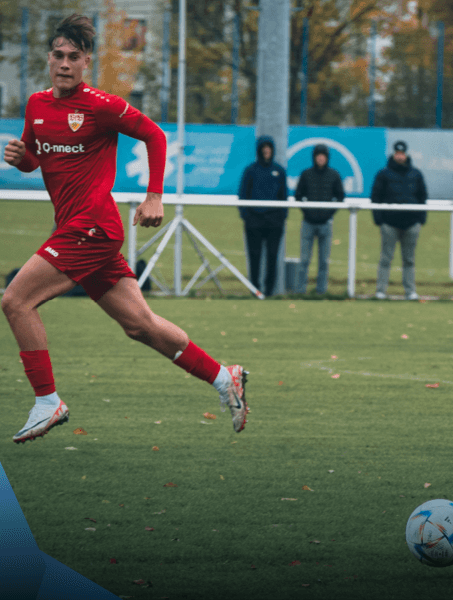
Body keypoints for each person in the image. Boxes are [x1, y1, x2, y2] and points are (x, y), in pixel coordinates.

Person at [1, 14, 248, 443]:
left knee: (15, 300)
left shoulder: (100, 105)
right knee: (140, 325)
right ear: (49, 59)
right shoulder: (37, 105)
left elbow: (155, 135)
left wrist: (154, 196)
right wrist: (21, 157)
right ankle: (224, 377)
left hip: (93, 226)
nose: (64, 63)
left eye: (73, 57)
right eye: (58, 55)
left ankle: (47, 401)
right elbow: (36, 160)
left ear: (86, 62)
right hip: (77, 229)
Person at [371, 141, 428, 301]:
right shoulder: (383, 174)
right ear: (394, 154)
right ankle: (380, 291)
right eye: (398, 153)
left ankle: (410, 291)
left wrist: (420, 219)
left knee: (409, 260)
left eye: (402, 154)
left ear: (406, 154)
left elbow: (422, 197)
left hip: (411, 223)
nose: (400, 156)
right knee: (386, 258)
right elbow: (375, 196)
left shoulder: (416, 174)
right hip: (389, 224)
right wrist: (379, 220)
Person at [239, 136, 288, 296]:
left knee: (272, 256)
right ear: (259, 150)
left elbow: (284, 196)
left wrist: (281, 218)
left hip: (274, 223)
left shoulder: (279, 171)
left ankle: (270, 291)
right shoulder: (251, 171)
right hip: (254, 222)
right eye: (264, 148)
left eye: (269, 148)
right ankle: (255, 289)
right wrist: (247, 216)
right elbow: (243, 194)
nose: (266, 151)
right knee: (254, 256)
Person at [294, 143, 344, 294]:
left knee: (323, 261)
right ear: (314, 157)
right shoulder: (306, 174)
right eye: (318, 156)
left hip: (325, 224)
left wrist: (329, 213)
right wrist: (307, 211)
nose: (320, 158)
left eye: (323, 156)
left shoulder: (334, 175)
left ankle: (321, 291)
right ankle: (300, 290)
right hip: (308, 223)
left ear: (327, 158)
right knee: (304, 259)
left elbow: (340, 196)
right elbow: (298, 195)